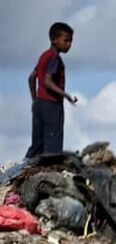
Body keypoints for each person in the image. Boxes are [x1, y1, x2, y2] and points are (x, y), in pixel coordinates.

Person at [26, 22, 77, 159]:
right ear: (54, 39)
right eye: (66, 40)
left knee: (37, 145)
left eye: (71, 41)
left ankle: (22, 168)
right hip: (52, 105)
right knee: (52, 148)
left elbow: (31, 78)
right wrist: (66, 95)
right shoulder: (54, 58)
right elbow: (48, 82)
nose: (69, 44)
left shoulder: (44, 56)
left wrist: (35, 101)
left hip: (40, 105)